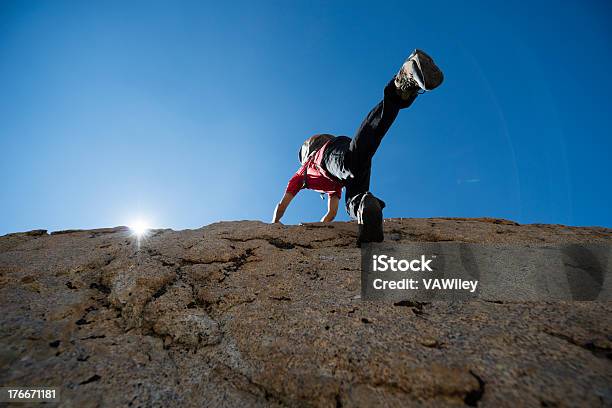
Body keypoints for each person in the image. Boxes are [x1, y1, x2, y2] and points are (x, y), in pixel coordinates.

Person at [272, 49, 444, 245]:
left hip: (332, 156)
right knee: (353, 198)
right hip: (347, 167)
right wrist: (322, 226)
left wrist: (274, 224)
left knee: (356, 156)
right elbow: (331, 213)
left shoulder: (303, 172)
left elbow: (281, 205)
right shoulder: (332, 188)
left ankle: (400, 86)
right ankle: (366, 208)